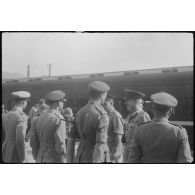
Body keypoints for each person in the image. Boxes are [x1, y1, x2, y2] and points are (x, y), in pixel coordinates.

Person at [128, 92, 193, 163]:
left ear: (152, 109)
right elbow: (185, 160)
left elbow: (133, 160)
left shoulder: (139, 130)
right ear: (170, 111)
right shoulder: (180, 132)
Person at [66, 81, 110, 163]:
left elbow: (71, 140)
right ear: (102, 95)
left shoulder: (80, 112)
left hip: (80, 155)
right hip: (95, 156)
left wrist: (69, 161)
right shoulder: (102, 115)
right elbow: (100, 145)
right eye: (106, 94)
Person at [30, 90, 67, 163]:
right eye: (63, 102)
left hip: (40, 157)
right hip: (54, 158)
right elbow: (60, 144)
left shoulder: (38, 118)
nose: (63, 104)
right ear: (59, 102)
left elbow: (33, 142)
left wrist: (36, 157)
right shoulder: (59, 119)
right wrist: (63, 160)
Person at [2, 91, 31, 163]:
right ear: (23, 102)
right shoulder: (21, 116)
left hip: (6, 148)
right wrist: (22, 157)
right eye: (26, 101)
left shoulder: (6, 115)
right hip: (16, 151)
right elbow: (20, 139)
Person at [123, 89, 151, 163]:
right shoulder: (129, 116)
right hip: (128, 154)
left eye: (128, 100)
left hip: (137, 157)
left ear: (137, 102)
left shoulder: (143, 116)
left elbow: (147, 140)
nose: (126, 103)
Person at [103, 94, 124, 163]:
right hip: (107, 148)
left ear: (111, 103)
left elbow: (119, 134)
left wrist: (116, 151)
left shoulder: (115, 115)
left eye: (105, 104)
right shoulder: (105, 114)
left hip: (113, 149)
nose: (103, 106)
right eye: (102, 104)